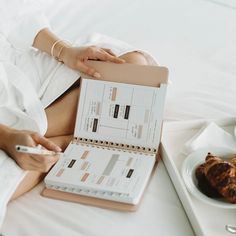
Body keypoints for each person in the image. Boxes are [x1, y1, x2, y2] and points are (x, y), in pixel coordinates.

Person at [0, 0, 155, 201]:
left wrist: (64, 51)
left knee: (132, 66)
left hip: (23, 68)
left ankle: (48, 136)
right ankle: (66, 142)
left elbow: (15, 13)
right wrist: (7, 137)